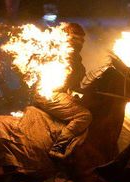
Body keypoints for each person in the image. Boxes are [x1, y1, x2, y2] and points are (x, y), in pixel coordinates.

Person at [33, 23, 92, 160]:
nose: (80, 42)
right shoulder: (57, 52)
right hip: (49, 94)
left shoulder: (76, 59)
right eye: (75, 38)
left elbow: (75, 86)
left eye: (82, 39)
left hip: (61, 93)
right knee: (84, 115)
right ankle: (58, 147)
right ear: (66, 37)